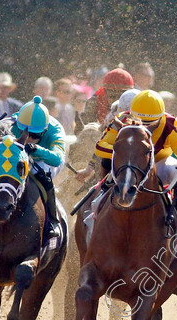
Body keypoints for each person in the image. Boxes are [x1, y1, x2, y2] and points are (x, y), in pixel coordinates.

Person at [94, 90, 177, 233]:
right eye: (141, 122)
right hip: (130, 162)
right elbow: (100, 147)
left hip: (160, 162)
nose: (145, 127)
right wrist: (127, 151)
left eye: (150, 123)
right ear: (132, 114)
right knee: (106, 161)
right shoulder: (121, 119)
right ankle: (102, 195)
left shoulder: (170, 122)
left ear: (160, 117)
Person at [7, 96, 66, 238]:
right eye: (24, 132)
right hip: (19, 154)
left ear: (44, 131)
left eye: (34, 135)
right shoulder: (11, 121)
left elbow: (57, 159)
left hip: (44, 160)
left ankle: (53, 221)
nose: (28, 137)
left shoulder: (54, 130)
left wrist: (37, 149)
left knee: (39, 173)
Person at [77, 68, 134, 133]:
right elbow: (87, 130)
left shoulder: (137, 101)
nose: (117, 101)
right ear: (105, 93)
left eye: (121, 97)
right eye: (112, 96)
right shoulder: (95, 101)